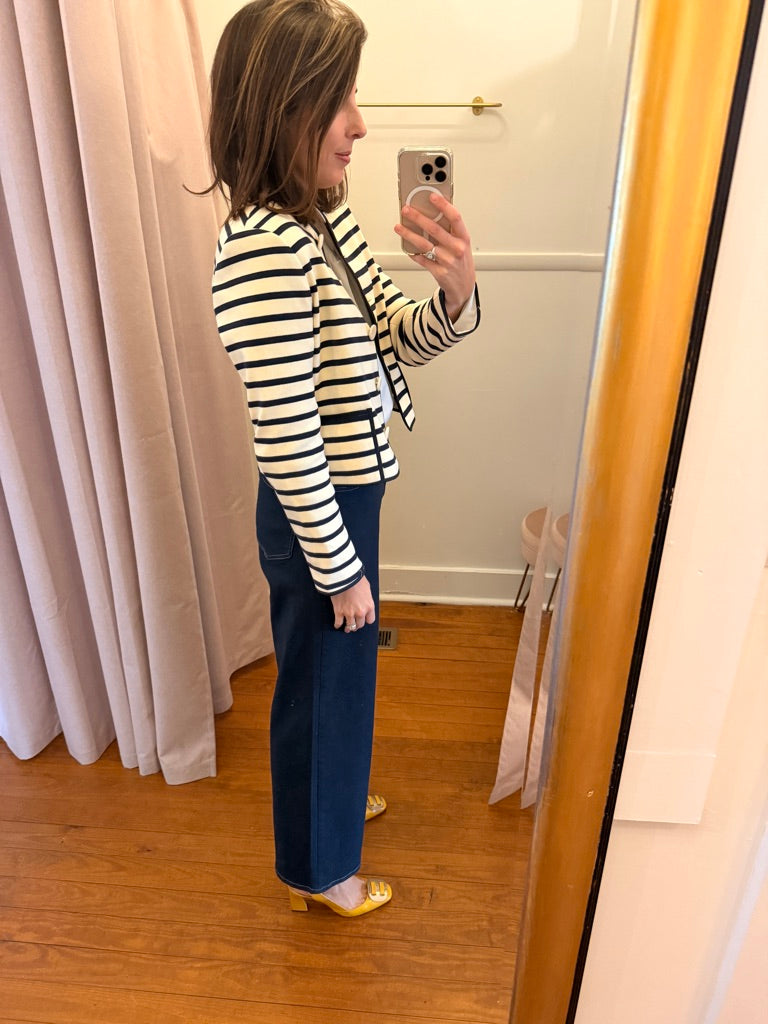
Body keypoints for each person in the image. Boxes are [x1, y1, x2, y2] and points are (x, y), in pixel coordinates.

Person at [207, 0, 479, 917]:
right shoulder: (263, 251)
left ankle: (333, 791)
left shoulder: (322, 221)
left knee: (341, 674)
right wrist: (338, 566)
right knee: (321, 683)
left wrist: (452, 296)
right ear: (281, 106)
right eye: (340, 101)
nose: (359, 125)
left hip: (345, 495)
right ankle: (320, 869)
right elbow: (286, 433)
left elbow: (386, 337)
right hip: (316, 508)